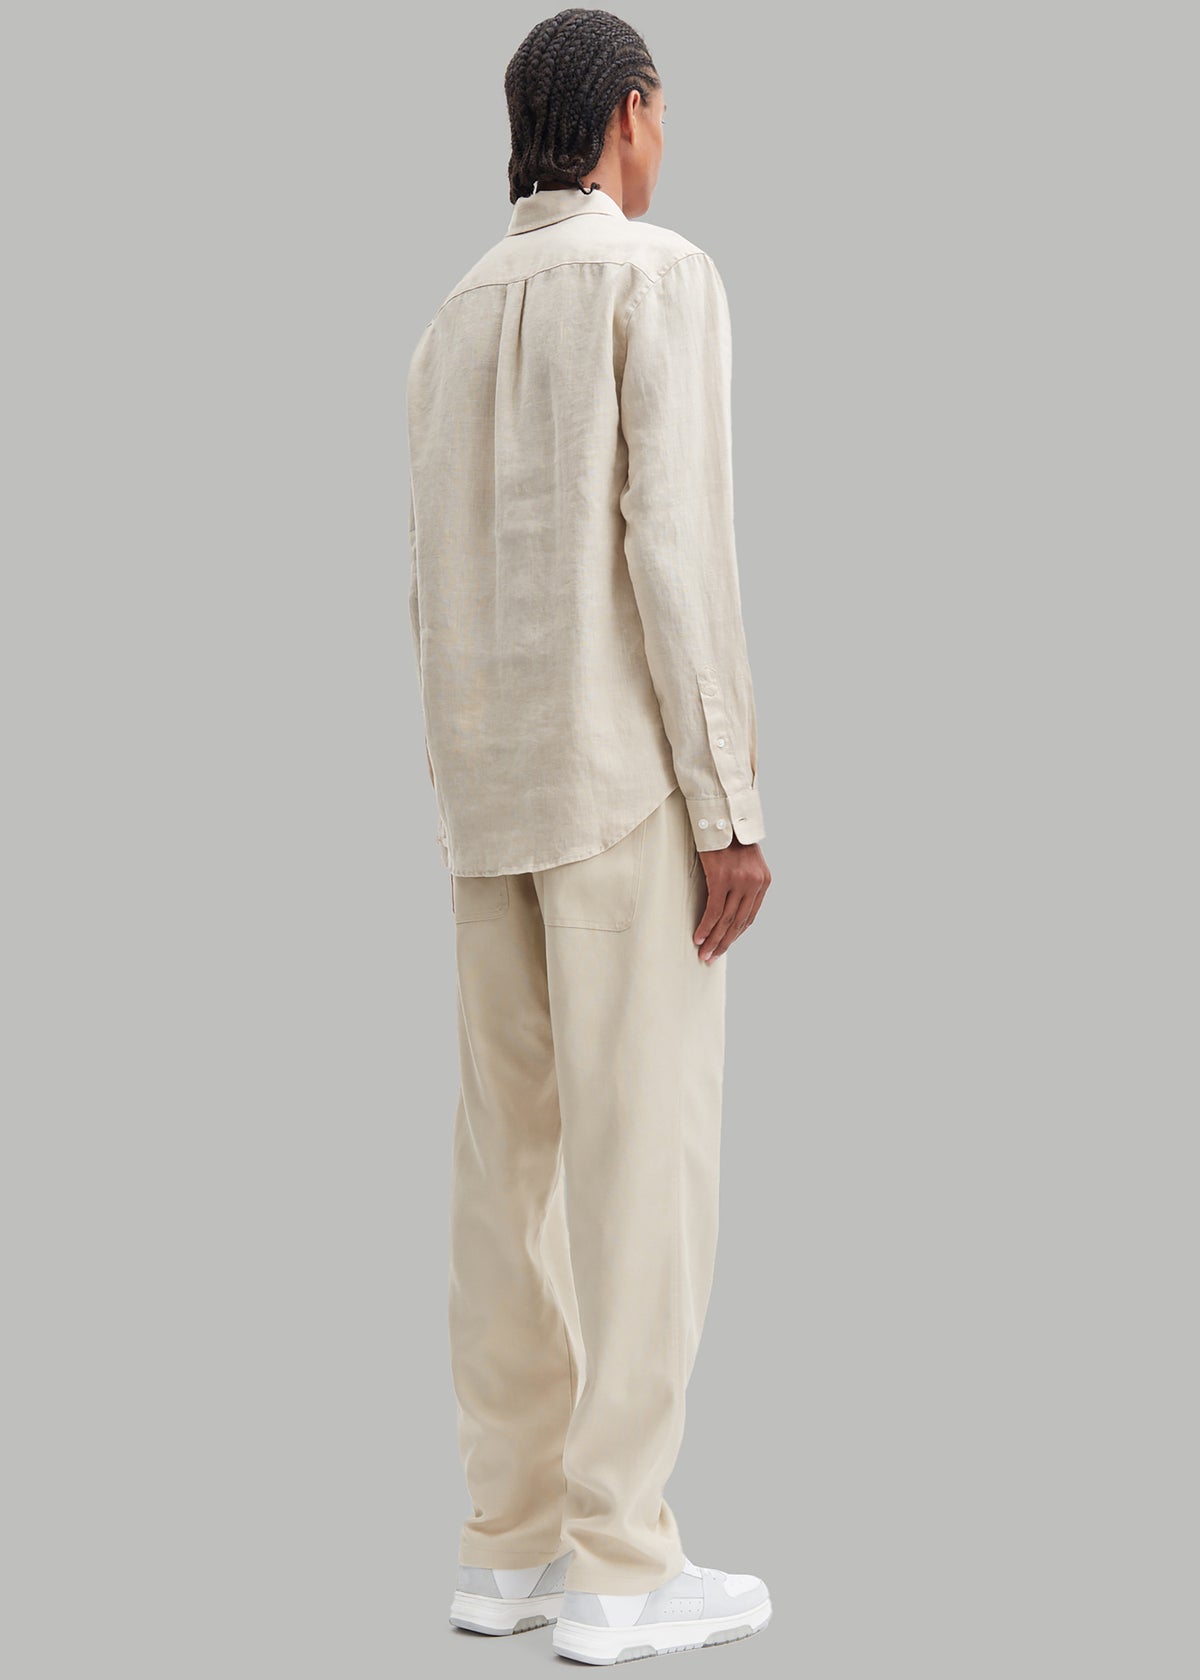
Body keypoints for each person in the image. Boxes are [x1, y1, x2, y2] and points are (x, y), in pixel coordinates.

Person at [406, 9, 773, 1664]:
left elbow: (425, 590)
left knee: (507, 1174)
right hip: (623, 792)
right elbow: (675, 550)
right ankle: (623, 1560)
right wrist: (729, 805)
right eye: (663, 112)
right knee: (646, 1173)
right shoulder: (656, 276)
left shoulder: (451, 316)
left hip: (486, 802)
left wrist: (461, 781)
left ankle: (508, 1544)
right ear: (629, 114)